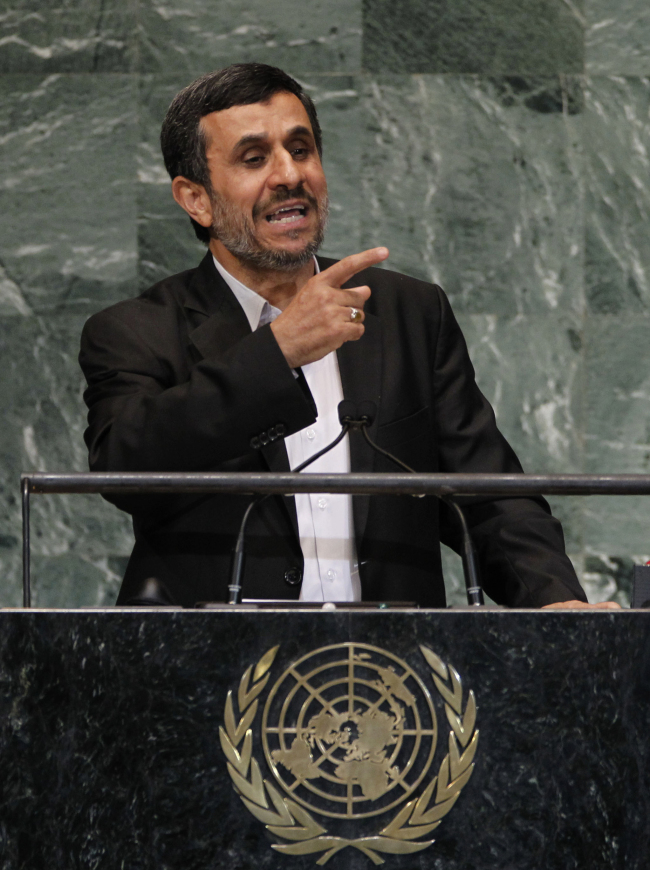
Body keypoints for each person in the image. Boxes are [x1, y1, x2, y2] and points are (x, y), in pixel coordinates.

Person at [79, 63, 614, 610]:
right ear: (196, 199)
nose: (290, 174)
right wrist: (278, 351)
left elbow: (488, 492)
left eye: (301, 148)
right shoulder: (135, 331)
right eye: (254, 158)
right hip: (217, 676)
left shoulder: (406, 312)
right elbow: (128, 469)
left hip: (390, 677)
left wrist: (556, 606)